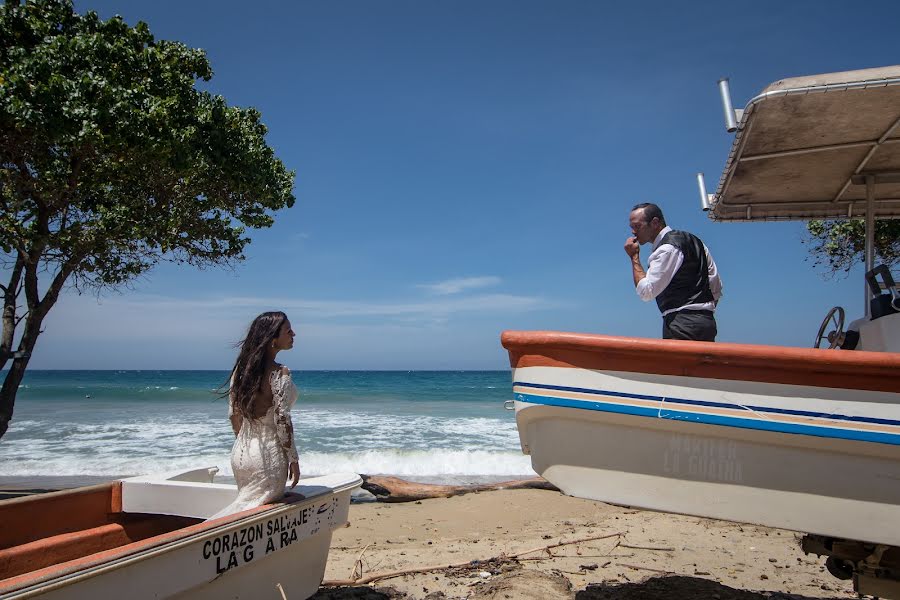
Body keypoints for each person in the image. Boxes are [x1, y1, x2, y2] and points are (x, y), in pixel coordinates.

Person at [209, 311, 300, 519]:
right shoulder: (280, 372)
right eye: (288, 331)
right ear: (273, 339)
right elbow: (282, 419)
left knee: (246, 509)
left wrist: (245, 444)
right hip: (268, 456)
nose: (293, 334)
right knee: (252, 514)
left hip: (241, 454)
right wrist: (293, 458)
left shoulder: (242, 370)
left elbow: (233, 415)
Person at [624, 203, 723, 341]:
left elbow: (646, 292)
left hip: (681, 324)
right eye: (632, 227)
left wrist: (634, 257)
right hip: (706, 323)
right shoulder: (697, 242)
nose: (633, 232)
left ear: (655, 223)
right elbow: (715, 285)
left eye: (637, 226)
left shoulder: (666, 248)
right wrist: (702, 312)